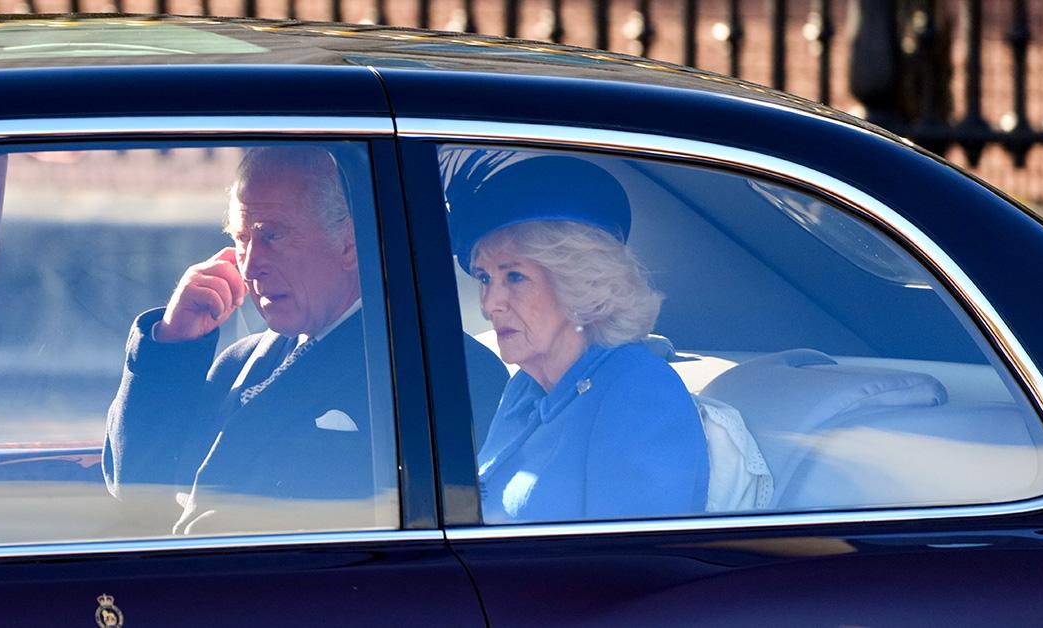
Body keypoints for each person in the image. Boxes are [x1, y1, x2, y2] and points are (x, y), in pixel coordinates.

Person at [104, 144, 507, 535]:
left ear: (350, 244)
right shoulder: (237, 362)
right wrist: (174, 342)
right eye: (241, 239)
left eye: (272, 236)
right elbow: (137, 491)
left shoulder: (443, 369)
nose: (250, 264)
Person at [448, 155, 710, 524]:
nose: (490, 304)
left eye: (515, 278)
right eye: (484, 278)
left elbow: (637, 566)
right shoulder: (526, 386)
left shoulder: (640, 394)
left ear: (581, 284)